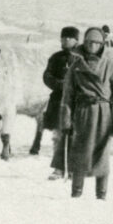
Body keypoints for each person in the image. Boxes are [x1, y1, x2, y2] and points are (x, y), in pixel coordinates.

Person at [59, 26, 113, 200]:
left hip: (103, 114)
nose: (92, 46)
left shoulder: (111, 66)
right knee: (80, 152)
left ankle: (101, 194)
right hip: (82, 113)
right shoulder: (75, 67)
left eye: (96, 42)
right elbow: (67, 96)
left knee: (102, 154)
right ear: (84, 43)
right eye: (89, 42)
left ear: (102, 44)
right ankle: (76, 192)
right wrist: (66, 120)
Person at [36, 26, 79, 175]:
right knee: (59, 135)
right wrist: (59, 84)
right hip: (58, 100)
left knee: (76, 135)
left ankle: (73, 168)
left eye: (69, 38)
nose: (66, 40)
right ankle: (59, 168)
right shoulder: (55, 58)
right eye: (64, 37)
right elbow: (47, 76)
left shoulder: (82, 58)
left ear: (76, 40)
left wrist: (74, 86)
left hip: (77, 102)